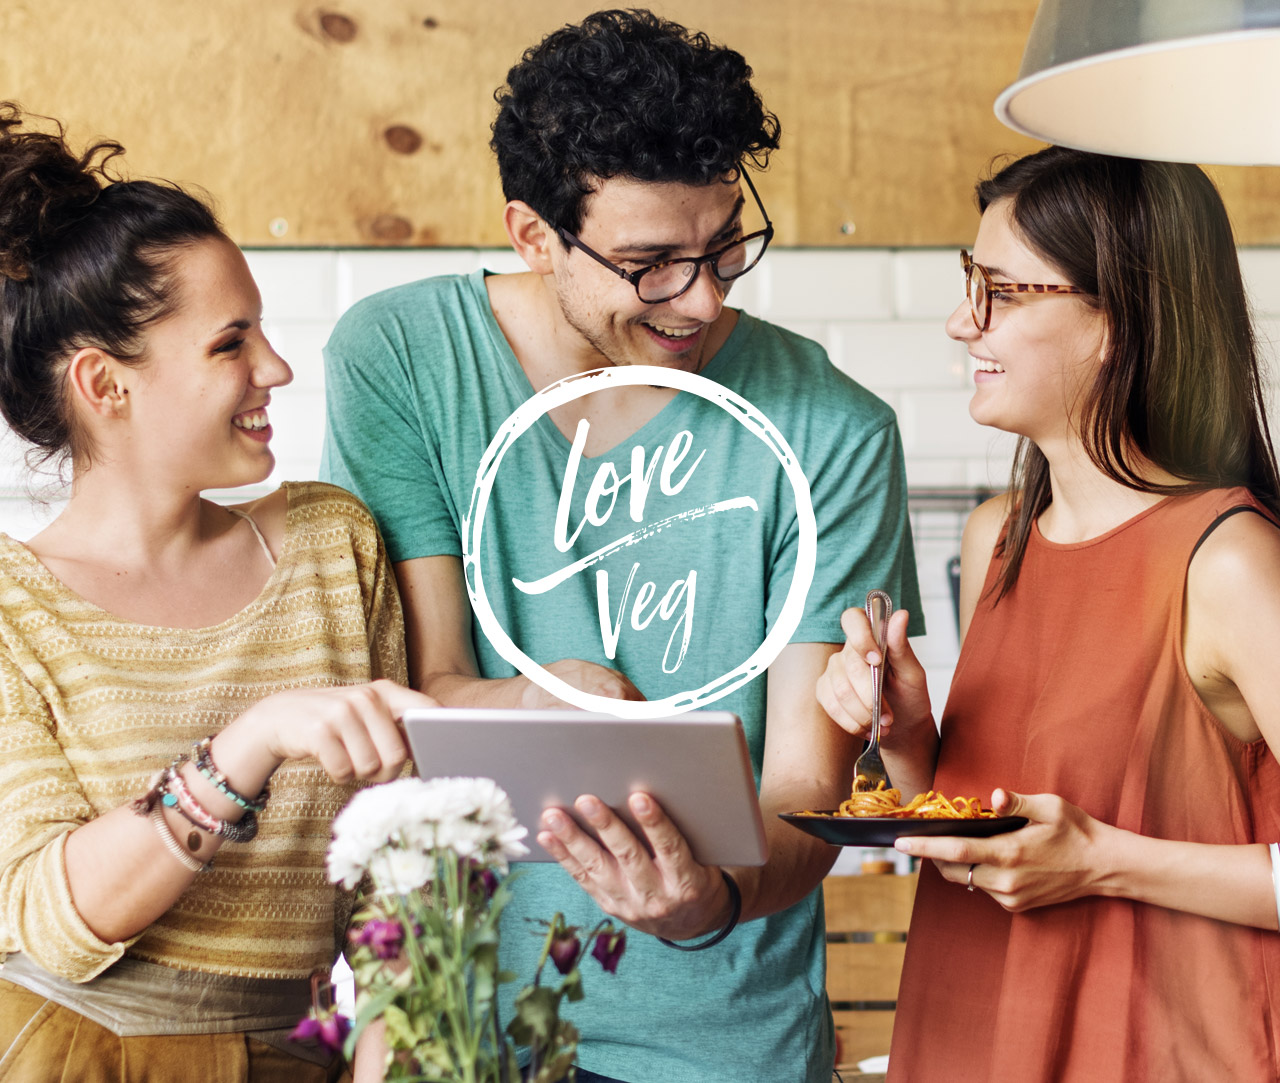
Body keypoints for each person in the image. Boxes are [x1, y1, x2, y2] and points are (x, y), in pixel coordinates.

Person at [320, 9, 922, 1081]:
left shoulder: (832, 429)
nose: (699, 296)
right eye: (649, 264)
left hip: (719, 1047)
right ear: (532, 236)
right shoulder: (403, 359)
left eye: (724, 244)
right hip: (457, 1029)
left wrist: (710, 900)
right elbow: (410, 691)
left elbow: (802, 794)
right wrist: (540, 696)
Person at [818, 145, 1280, 1082]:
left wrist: (1106, 861)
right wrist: (909, 740)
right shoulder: (1000, 536)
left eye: (1002, 290)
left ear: (1118, 318)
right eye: (966, 282)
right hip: (968, 1037)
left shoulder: (1227, 560)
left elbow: (1078, 848)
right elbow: (997, 842)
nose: (961, 321)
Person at [0, 105, 436, 1082]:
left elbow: (392, 874)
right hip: (67, 1055)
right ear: (105, 386)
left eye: (263, 332)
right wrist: (252, 741)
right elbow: (57, 919)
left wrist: (390, 1045)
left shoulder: (334, 546)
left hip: (299, 1055)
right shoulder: (10, 610)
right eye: (229, 343)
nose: (274, 367)